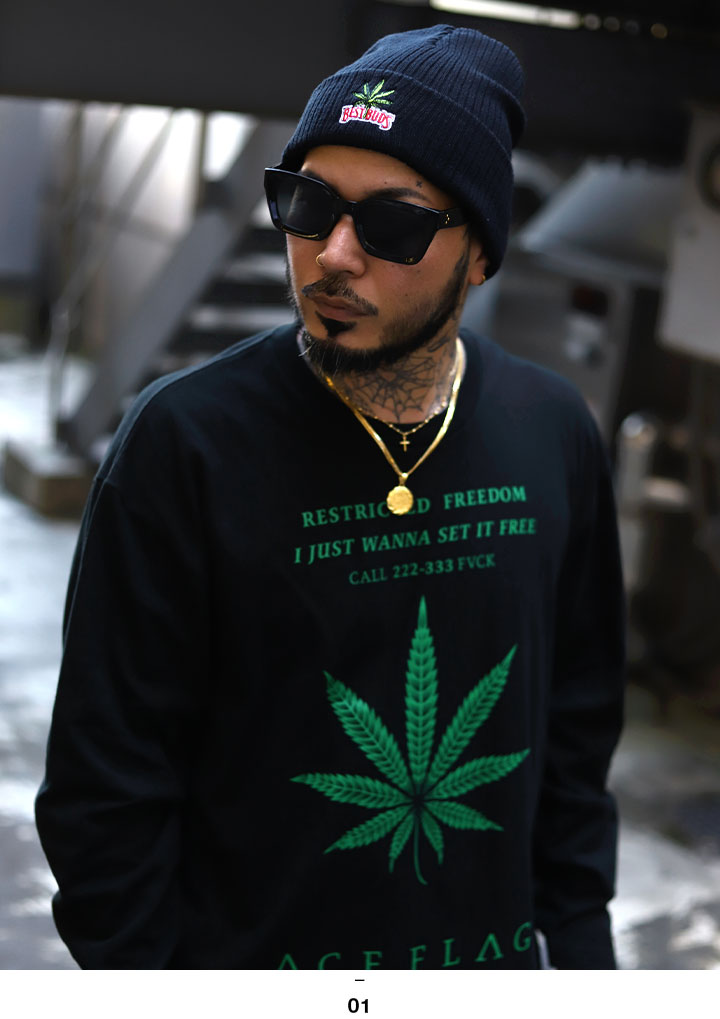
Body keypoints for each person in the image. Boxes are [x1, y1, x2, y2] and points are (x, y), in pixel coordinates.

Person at [35, 24, 625, 970]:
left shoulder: (551, 430)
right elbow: (106, 790)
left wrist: (585, 953)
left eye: (392, 224)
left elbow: (576, 733)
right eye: (307, 206)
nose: (334, 254)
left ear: (479, 252)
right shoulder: (186, 443)